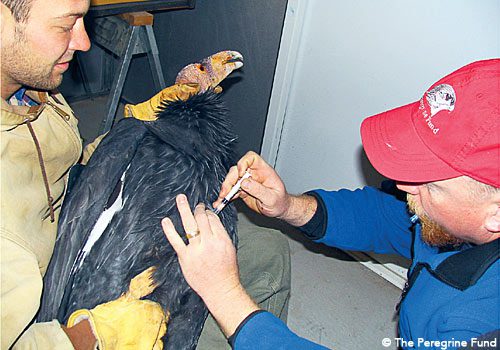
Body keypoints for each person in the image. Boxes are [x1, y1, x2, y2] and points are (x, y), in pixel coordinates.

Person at [0, 0, 290, 348]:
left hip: (82, 226)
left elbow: (74, 166)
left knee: (268, 248)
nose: (84, 41)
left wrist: (157, 114)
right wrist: (95, 334)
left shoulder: (27, 90)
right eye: (66, 25)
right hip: (78, 316)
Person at [162, 59, 500, 349]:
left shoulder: (477, 328)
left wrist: (223, 293)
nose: (403, 185)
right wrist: (288, 207)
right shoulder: (453, 218)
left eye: (432, 183)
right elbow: (389, 218)